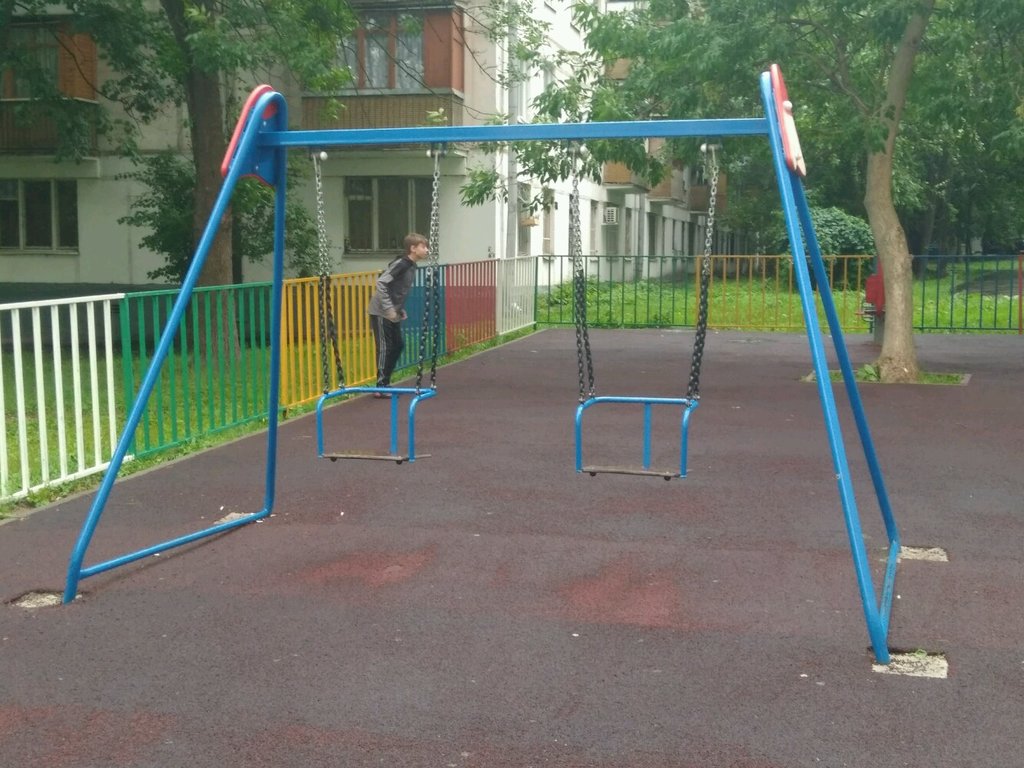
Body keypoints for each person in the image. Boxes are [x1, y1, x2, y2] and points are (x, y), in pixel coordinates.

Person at [367, 233, 429, 397]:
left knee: (398, 345)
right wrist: (388, 308)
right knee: (385, 347)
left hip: (392, 311)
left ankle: (385, 381)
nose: (426, 250)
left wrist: (399, 308)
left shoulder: (411, 265)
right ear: (413, 248)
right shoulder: (401, 264)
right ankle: (380, 385)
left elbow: (397, 289)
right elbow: (382, 283)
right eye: (423, 246)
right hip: (380, 311)